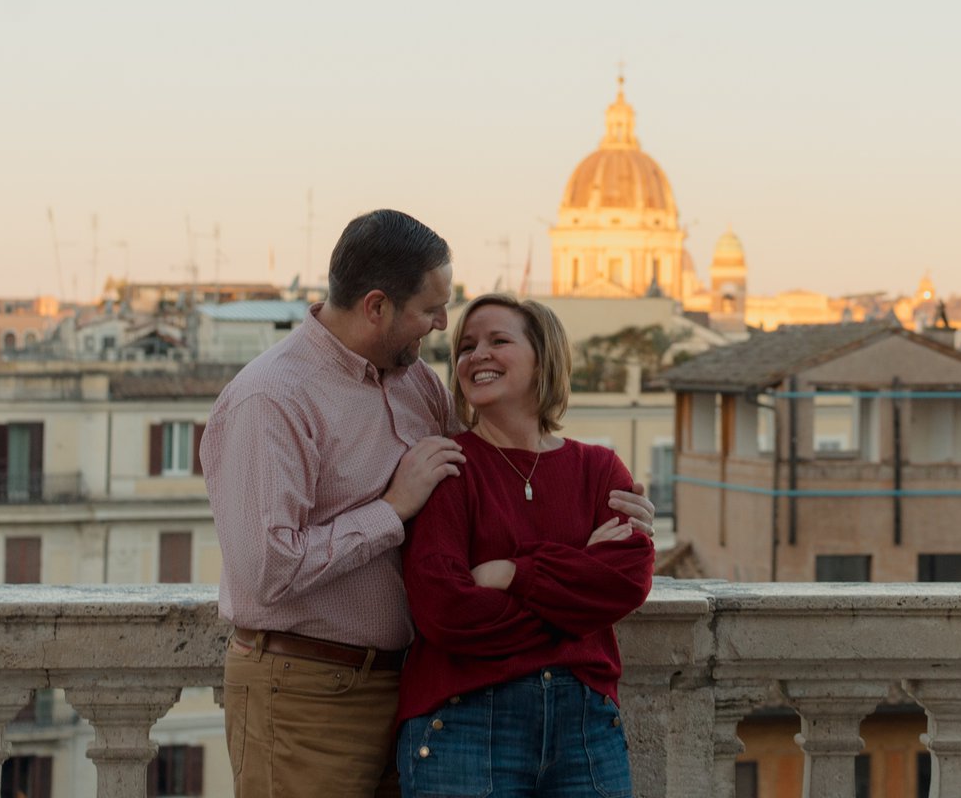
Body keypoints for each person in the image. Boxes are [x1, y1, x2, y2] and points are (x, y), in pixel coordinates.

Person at [202, 211, 654, 798]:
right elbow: (265, 572)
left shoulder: (416, 385)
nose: (442, 326)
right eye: (432, 310)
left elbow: (491, 476)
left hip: (406, 689)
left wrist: (551, 562)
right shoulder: (270, 399)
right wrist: (392, 509)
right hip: (304, 690)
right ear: (376, 307)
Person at [395, 293, 656, 798]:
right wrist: (574, 593)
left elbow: (624, 581)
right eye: (466, 346)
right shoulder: (448, 469)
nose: (477, 355)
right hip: (465, 725)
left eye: (499, 340)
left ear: (544, 357)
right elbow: (443, 609)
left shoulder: (599, 468)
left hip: (586, 732)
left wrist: (513, 575)